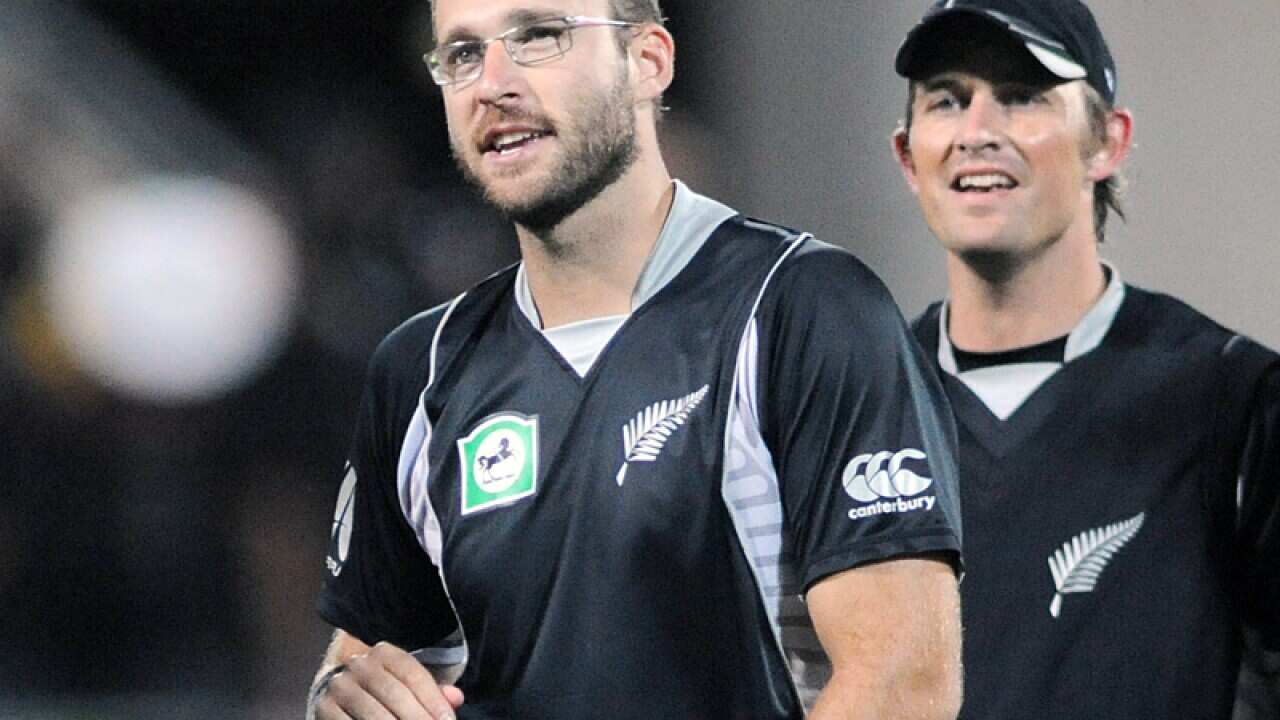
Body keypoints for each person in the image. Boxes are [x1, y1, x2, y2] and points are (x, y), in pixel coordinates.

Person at [307, 1, 965, 718]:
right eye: (463, 54)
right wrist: (338, 695)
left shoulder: (801, 310)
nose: (491, 83)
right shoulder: (419, 370)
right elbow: (359, 664)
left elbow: (903, 687)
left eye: (538, 36)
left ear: (648, 61)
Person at [889, 1, 1280, 718]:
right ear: (908, 155)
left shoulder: (1232, 396)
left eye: (1021, 97)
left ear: (1108, 142)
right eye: (947, 100)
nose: (977, 132)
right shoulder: (858, 407)